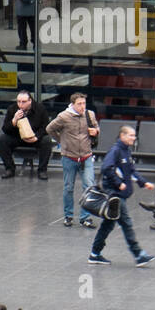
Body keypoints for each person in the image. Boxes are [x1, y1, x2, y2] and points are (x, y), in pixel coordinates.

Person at [88, 126, 155, 267]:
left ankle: (95, 254)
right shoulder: (116, 150)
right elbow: (106, 168)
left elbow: (131, 171)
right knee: (126, 223)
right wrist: (118, 184)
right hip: (115, 195)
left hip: (119, 195)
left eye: (134, 135)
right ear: (122, 136)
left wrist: (144, 183)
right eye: (130, 135)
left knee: (108, 225)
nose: (133, 138)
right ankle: (138, 254)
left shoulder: (126, 151)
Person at [46, 93, 99, 227]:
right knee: (68, 187)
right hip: (69, 157)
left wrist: (96, 131)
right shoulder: (64, 116)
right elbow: (50, 128)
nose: (82, 106)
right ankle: (68, 215)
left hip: (86, 156)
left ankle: (85, 217)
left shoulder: (89, 114)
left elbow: (96, 128)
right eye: (79, 104)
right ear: (73, 104)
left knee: (89, 186)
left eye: (84, 103)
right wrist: (61, 141)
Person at [0, 91, 53, 180]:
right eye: (18, 101)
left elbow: (45, 127)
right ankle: (9, 169)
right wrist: (14, 120)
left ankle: (42, 170)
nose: (20, 104)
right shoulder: (12, 109)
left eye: (23, 102)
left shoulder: (40, 109)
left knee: (46, 141)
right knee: (2, 140)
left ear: (30, 101)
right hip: (18, 137)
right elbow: (5, 129)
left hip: (34, 137)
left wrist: (36, 137)